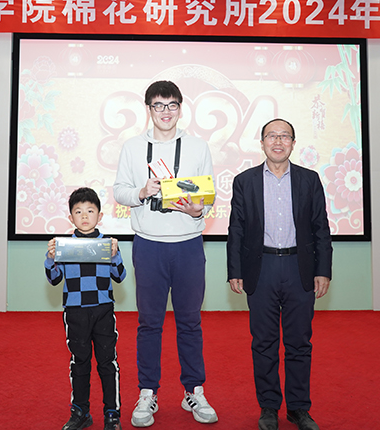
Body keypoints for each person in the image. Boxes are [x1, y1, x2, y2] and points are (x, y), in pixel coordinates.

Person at [113, 80, 218, 427]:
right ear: (149, 109)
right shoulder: (132, 147)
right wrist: (142, 191)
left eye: (172, 105)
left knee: (190, 322)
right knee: (149, 323)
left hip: (188, 245)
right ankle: (147, 392)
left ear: (180, 108)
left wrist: (198, 211)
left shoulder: (198, 146)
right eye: (158, 105)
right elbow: (119, 191)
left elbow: (209, 194)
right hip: (149, 246)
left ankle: (194, 390)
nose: (166, 112)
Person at [226, 118, 332, 430]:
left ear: (293, 144)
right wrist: (235, 270)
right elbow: (236, 230)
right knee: (264, 343)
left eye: (284, 136)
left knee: (300, 343)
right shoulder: (245, 181)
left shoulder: (309, 180)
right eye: (272, 136)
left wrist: (323, 270)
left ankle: (299, 408)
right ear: (262, 143)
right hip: (262, 269)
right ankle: (269, 407)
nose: (278, 141)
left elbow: (321, 228)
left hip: (300, 268)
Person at [45, 187, 127, 430]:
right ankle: (80, 412)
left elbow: (120, 276)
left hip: (103, 310)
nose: (84, 216)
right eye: (78, 211)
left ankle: (112, 414)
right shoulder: (64, 246)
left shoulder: (108, 245)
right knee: (80, 362)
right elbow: (54, 279)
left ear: (99, 216)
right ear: (70, 217)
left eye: (90, 211)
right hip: (75, 311)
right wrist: (50, 258)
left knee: (107, 362)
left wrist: (115, 255)